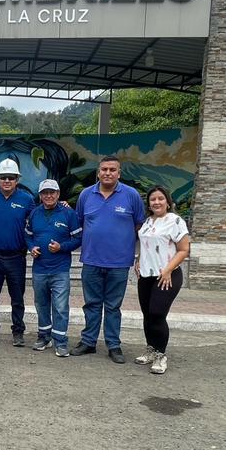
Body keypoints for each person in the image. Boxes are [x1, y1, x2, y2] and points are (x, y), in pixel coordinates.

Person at [71, 155, 146, 364]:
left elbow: (140, 227)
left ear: (119, 173)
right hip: (91, 260)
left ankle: (113, 345)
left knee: (113, 306)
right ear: (98, 172)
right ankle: (88, 342)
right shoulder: (86, 195)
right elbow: (79, 222)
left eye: (112, 170)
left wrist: (137, 254)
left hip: (119, 263)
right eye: (104, 169)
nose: (108, 173)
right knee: (92, 304)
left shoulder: (131, 195)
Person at [134, 186, 191, 375]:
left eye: (160, 198)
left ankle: (160, 354)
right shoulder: (147, 222)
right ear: (149, 203)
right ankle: (150, 349)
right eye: (153, 199)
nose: (156, 202)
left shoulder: (175, 221)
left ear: (167, 202)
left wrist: (167, 270)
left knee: (157, 313)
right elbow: (146, 244)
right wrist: (138, 260)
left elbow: (183, 250)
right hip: (146, 275)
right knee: (147, 314)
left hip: (167, 275)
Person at [0, 158, 36, 346]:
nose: (7, 181)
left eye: (11, 177)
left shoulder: (27, 200)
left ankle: (18, 332)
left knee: (18, 298)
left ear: (17, 179)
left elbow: (40, 216)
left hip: (16, 257)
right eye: (3, 177)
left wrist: (62, 205)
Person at [25, 179, 81, 358]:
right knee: (41, 305)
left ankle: (61, 341)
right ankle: (44, 337)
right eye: (45, 193)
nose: (48, 196)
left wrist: (61, 247)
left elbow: (78, 239)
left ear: (58, 194)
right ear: (40, 196)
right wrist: (31, 247)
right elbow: (28, 236)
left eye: (52, 192)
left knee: (60, 307)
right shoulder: (34, 213)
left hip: (60, 269)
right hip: (39, 269)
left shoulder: (68, 213)